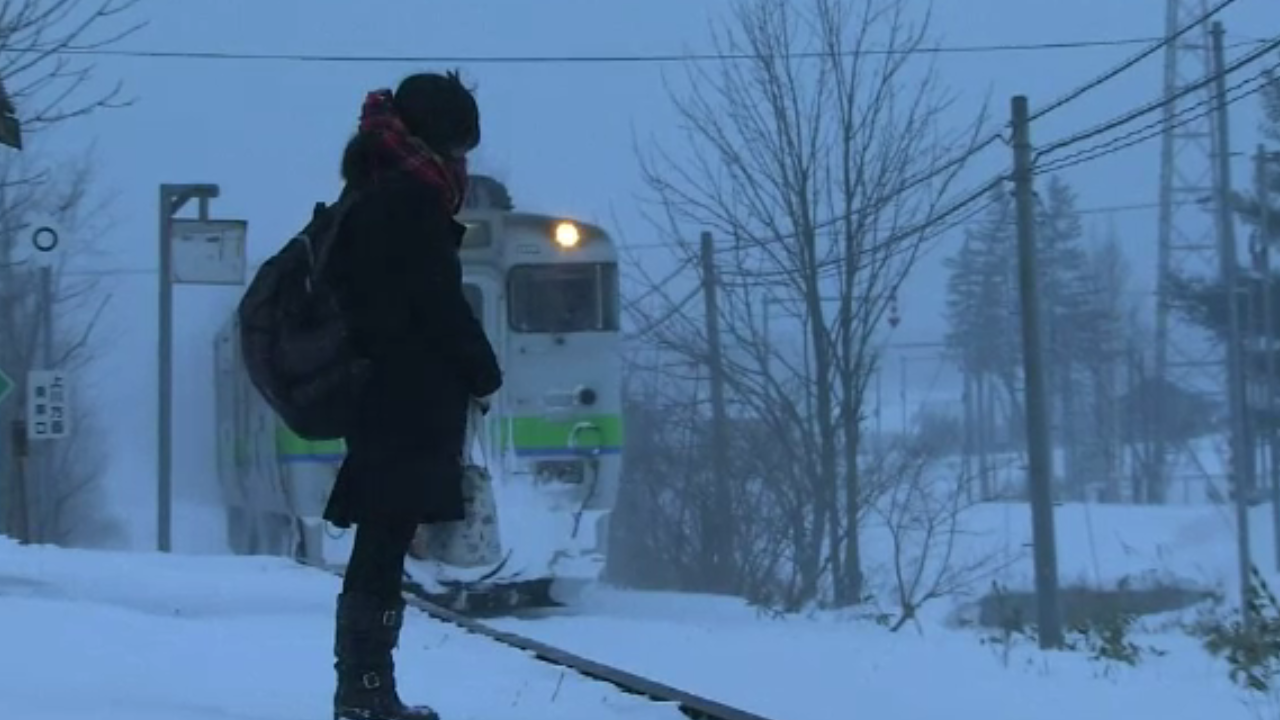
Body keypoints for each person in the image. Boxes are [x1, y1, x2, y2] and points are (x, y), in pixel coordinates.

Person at [321, 71, 503, 720]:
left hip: (385, 398)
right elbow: (434, 301)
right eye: (459, 145)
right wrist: (484, 370)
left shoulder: (372, 191)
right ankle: (367, 693)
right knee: (384, 544)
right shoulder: (407, 201)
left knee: (383, 542)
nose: (462, 161)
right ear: (435, 138)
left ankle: (367, 690)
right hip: (402, 399)